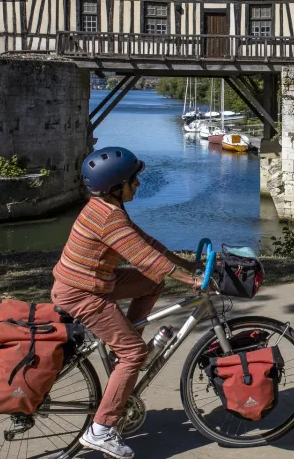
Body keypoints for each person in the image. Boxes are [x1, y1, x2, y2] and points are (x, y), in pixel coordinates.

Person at [51, 147, 204, 459]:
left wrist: (187, 267)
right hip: (81, 293)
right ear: (116, 187)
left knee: (153, 282)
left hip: (89, 282)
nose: (138, 185)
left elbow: (147, 243)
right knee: (133, 354)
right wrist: (193, 283)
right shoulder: (109, 217)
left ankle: (129, 341)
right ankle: (101, 430)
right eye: (134, 181)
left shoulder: (107, 208)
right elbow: (144, 258)